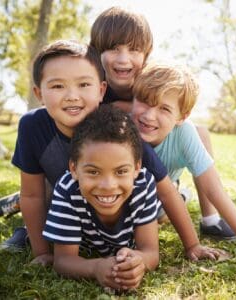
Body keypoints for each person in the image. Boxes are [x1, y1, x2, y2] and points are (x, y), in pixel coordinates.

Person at [0, 39, 223, 264]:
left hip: (110, 208)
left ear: (101, 90)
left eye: (83, 85)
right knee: (46, 199)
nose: (72, 95)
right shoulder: (32, 125)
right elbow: (32, 195)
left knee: (154, 207)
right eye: (57, 86)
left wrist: (192, 245)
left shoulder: (118, 128)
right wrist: (42, 252)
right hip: (64, 199)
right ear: (39, 93)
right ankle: (25, 233)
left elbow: (165, 190)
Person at [90, 6, 236, 240]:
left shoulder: (150, 80)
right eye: (113, 48)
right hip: (118, 171)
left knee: (199, 132)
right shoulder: (90, 83)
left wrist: (125, 108)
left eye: (134, 49)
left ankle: (210, 219)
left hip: (157, 169)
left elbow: (174, 111)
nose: (123, 58)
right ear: (96, 51)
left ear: (146, 55)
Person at [131, 63, 236, 258]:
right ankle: (178, 197)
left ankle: (179, 197)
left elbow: (214, 190)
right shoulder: (122, 127)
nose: (149, 115)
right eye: (145, 101)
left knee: (163, 206)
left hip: (163, 194)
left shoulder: (184, 133)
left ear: (182, 116)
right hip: (137, 196)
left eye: (164, 109)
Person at [43, 106, 159, 290]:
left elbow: (151, 252)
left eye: (121, 171)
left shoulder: (143, 185)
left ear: (137, 168)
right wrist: (95, 268)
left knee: (159, 216)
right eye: (93, 172)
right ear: (74, 169)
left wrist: (138, 262)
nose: (108, 186)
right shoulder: (68, 190)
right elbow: (63, 260)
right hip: (68, 223)